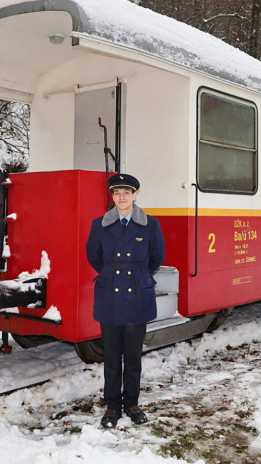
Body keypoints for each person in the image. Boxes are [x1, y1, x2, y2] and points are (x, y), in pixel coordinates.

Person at [85, 174, 165, 428]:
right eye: (116, 193)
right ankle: (112, 406)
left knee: (132, 356)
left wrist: (138, 275)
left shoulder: (150, 225)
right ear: (112, 197)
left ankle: (131, 403)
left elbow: (156, 257)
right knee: (111, 356)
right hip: (110, 294)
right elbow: (93, 256)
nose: (121, 197)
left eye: (126, 193)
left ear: (135, 195)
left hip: (137, 295)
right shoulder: (100, 224)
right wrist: (111, 272)